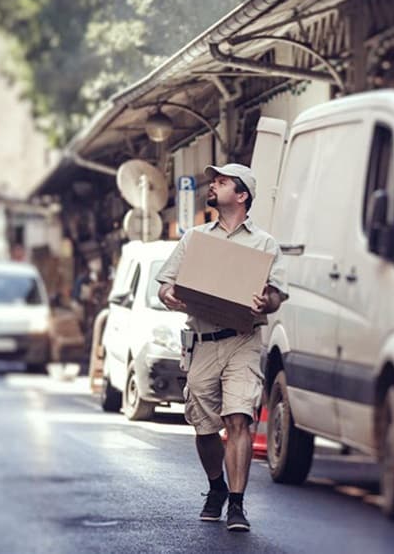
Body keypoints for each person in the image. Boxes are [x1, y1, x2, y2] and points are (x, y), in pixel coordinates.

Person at [155, 163, 287, 533]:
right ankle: (217, 487)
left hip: (242, 340)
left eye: (222, 182)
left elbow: (276, 295)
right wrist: (169, 294)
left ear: (242, 195)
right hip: (202, 343)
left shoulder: (264, 244)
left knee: (239, 418)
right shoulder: (195, 238)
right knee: (203, 426)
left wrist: (266, 301)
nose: (212, 186)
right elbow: (164, 285)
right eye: (213, 181)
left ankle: (237, 505)